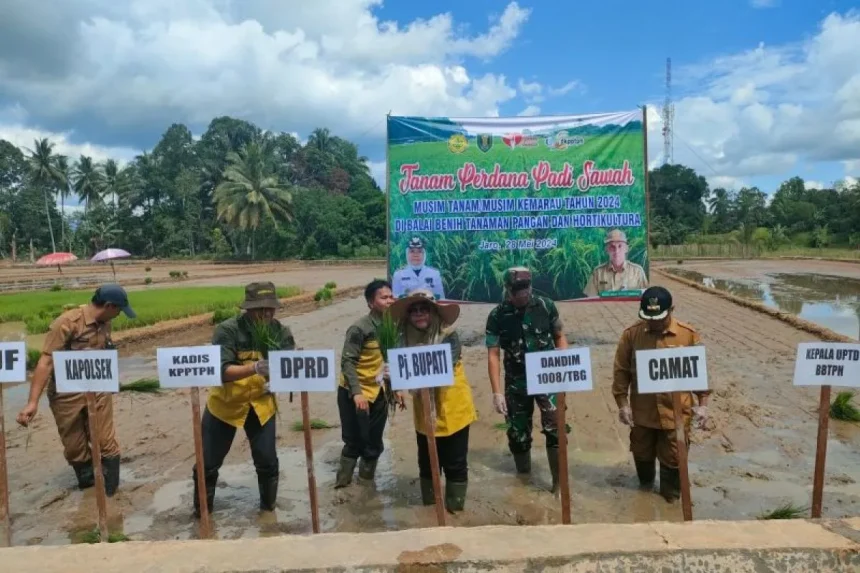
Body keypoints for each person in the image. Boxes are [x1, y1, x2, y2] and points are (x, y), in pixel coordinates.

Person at [16, 284, 136, 496]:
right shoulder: (67, 323)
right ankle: (89, 488)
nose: (119, 315)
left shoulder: (106, 323)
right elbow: (46, 362)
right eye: (118, 310)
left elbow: (105, 352)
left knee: (104, 440)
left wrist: (112, 379)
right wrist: (32, 402)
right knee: (74, 447)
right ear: (108, 306)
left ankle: (110, 494)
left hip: (98, 389)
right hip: (66, 395)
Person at [193, 282, 295, 517]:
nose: (266, 314)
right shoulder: (228, 330)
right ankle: (202, 514)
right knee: (208, 463)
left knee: (267, 461)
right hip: (225, 406)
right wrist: (256, 367)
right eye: (260, 309)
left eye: (271, 309)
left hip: (261, 405)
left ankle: (268, 513)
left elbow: (289, 367)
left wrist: (281, 378)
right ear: (248, 309)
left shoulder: (281, 332)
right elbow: (221, 371)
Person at [612, 286, 710, 502]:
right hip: (643, 413)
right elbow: (621, 371)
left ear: (671, 309)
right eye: (649, 318)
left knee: (674, 459)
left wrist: (703, 404)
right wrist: (623, 404)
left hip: (675, 413)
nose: (653, 322)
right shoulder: (632, 335)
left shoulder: (688, 335)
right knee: (642, 454)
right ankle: (645, 493)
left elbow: (699, 374)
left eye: (659, 318)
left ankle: (671, 500)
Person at [391, 288, 476, 512]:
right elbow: (399, 368)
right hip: (424, 407)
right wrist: (395, 383)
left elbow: (442, 368)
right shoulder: (403, 336)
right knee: (427, 462)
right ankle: (430, 510)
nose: (419, 314)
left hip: (452, 404)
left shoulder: (449, 335)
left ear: (433, 312)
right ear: (408, 315)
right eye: (414, 310)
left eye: (424, 309)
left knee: (455, 462)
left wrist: (410, 368)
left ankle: (455, 510)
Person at [485, 267, 569, 493]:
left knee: (556, 428)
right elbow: (493, 354)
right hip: (516, 382)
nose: (522, 294)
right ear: (507, 290)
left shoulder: (546, 306)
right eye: (516, 290)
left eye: (525, 288)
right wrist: (497, 392)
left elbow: (560, 337)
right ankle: (523, 480)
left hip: (547, 378)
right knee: (517, 433)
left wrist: (564, 366)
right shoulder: (497, 315)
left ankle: (558, 486)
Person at [335, 279, 400, 487]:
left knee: (373, 442)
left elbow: (390, 361)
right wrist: (356, 393)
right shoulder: (359, 328)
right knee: (353, 441)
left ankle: (365, 486)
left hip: (379, 391)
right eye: (383, 297)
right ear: (371, 303)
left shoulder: (392, 326)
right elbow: (347, 362)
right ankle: (342, 485)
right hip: (353, 392)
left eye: (391, 296)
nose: (389, 301)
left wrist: (395, 389)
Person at [583, 229, 648, 297]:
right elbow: (591, 300)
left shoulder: (637, 271)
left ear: (626, 248)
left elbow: (646, 297)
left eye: (620, 246)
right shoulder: (598, 273)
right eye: (612, 247)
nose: (616, 251)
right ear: (606, 250)